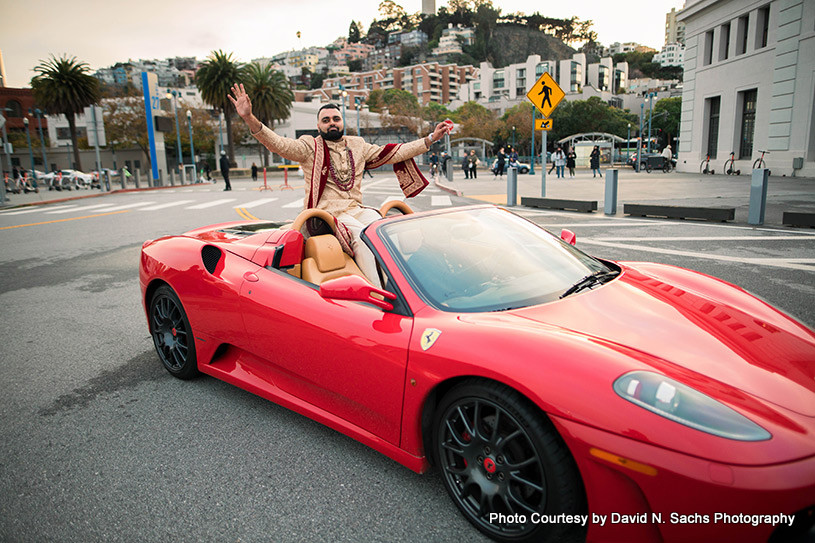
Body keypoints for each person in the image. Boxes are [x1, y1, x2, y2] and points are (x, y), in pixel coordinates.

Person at [229, 82, 451, 286]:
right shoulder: (310, 146)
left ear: (342, 121)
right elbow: (279, 145)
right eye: (326, 120)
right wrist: (249, 118)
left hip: (356, 209)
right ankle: (381, 292)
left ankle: (404, 284)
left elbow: (394, 152)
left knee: (383, 229)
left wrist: (430, 138)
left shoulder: (358, 144)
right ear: (318, 125)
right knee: (364, 235)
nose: (332, 123)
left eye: (335, 119)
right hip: (327, 215)